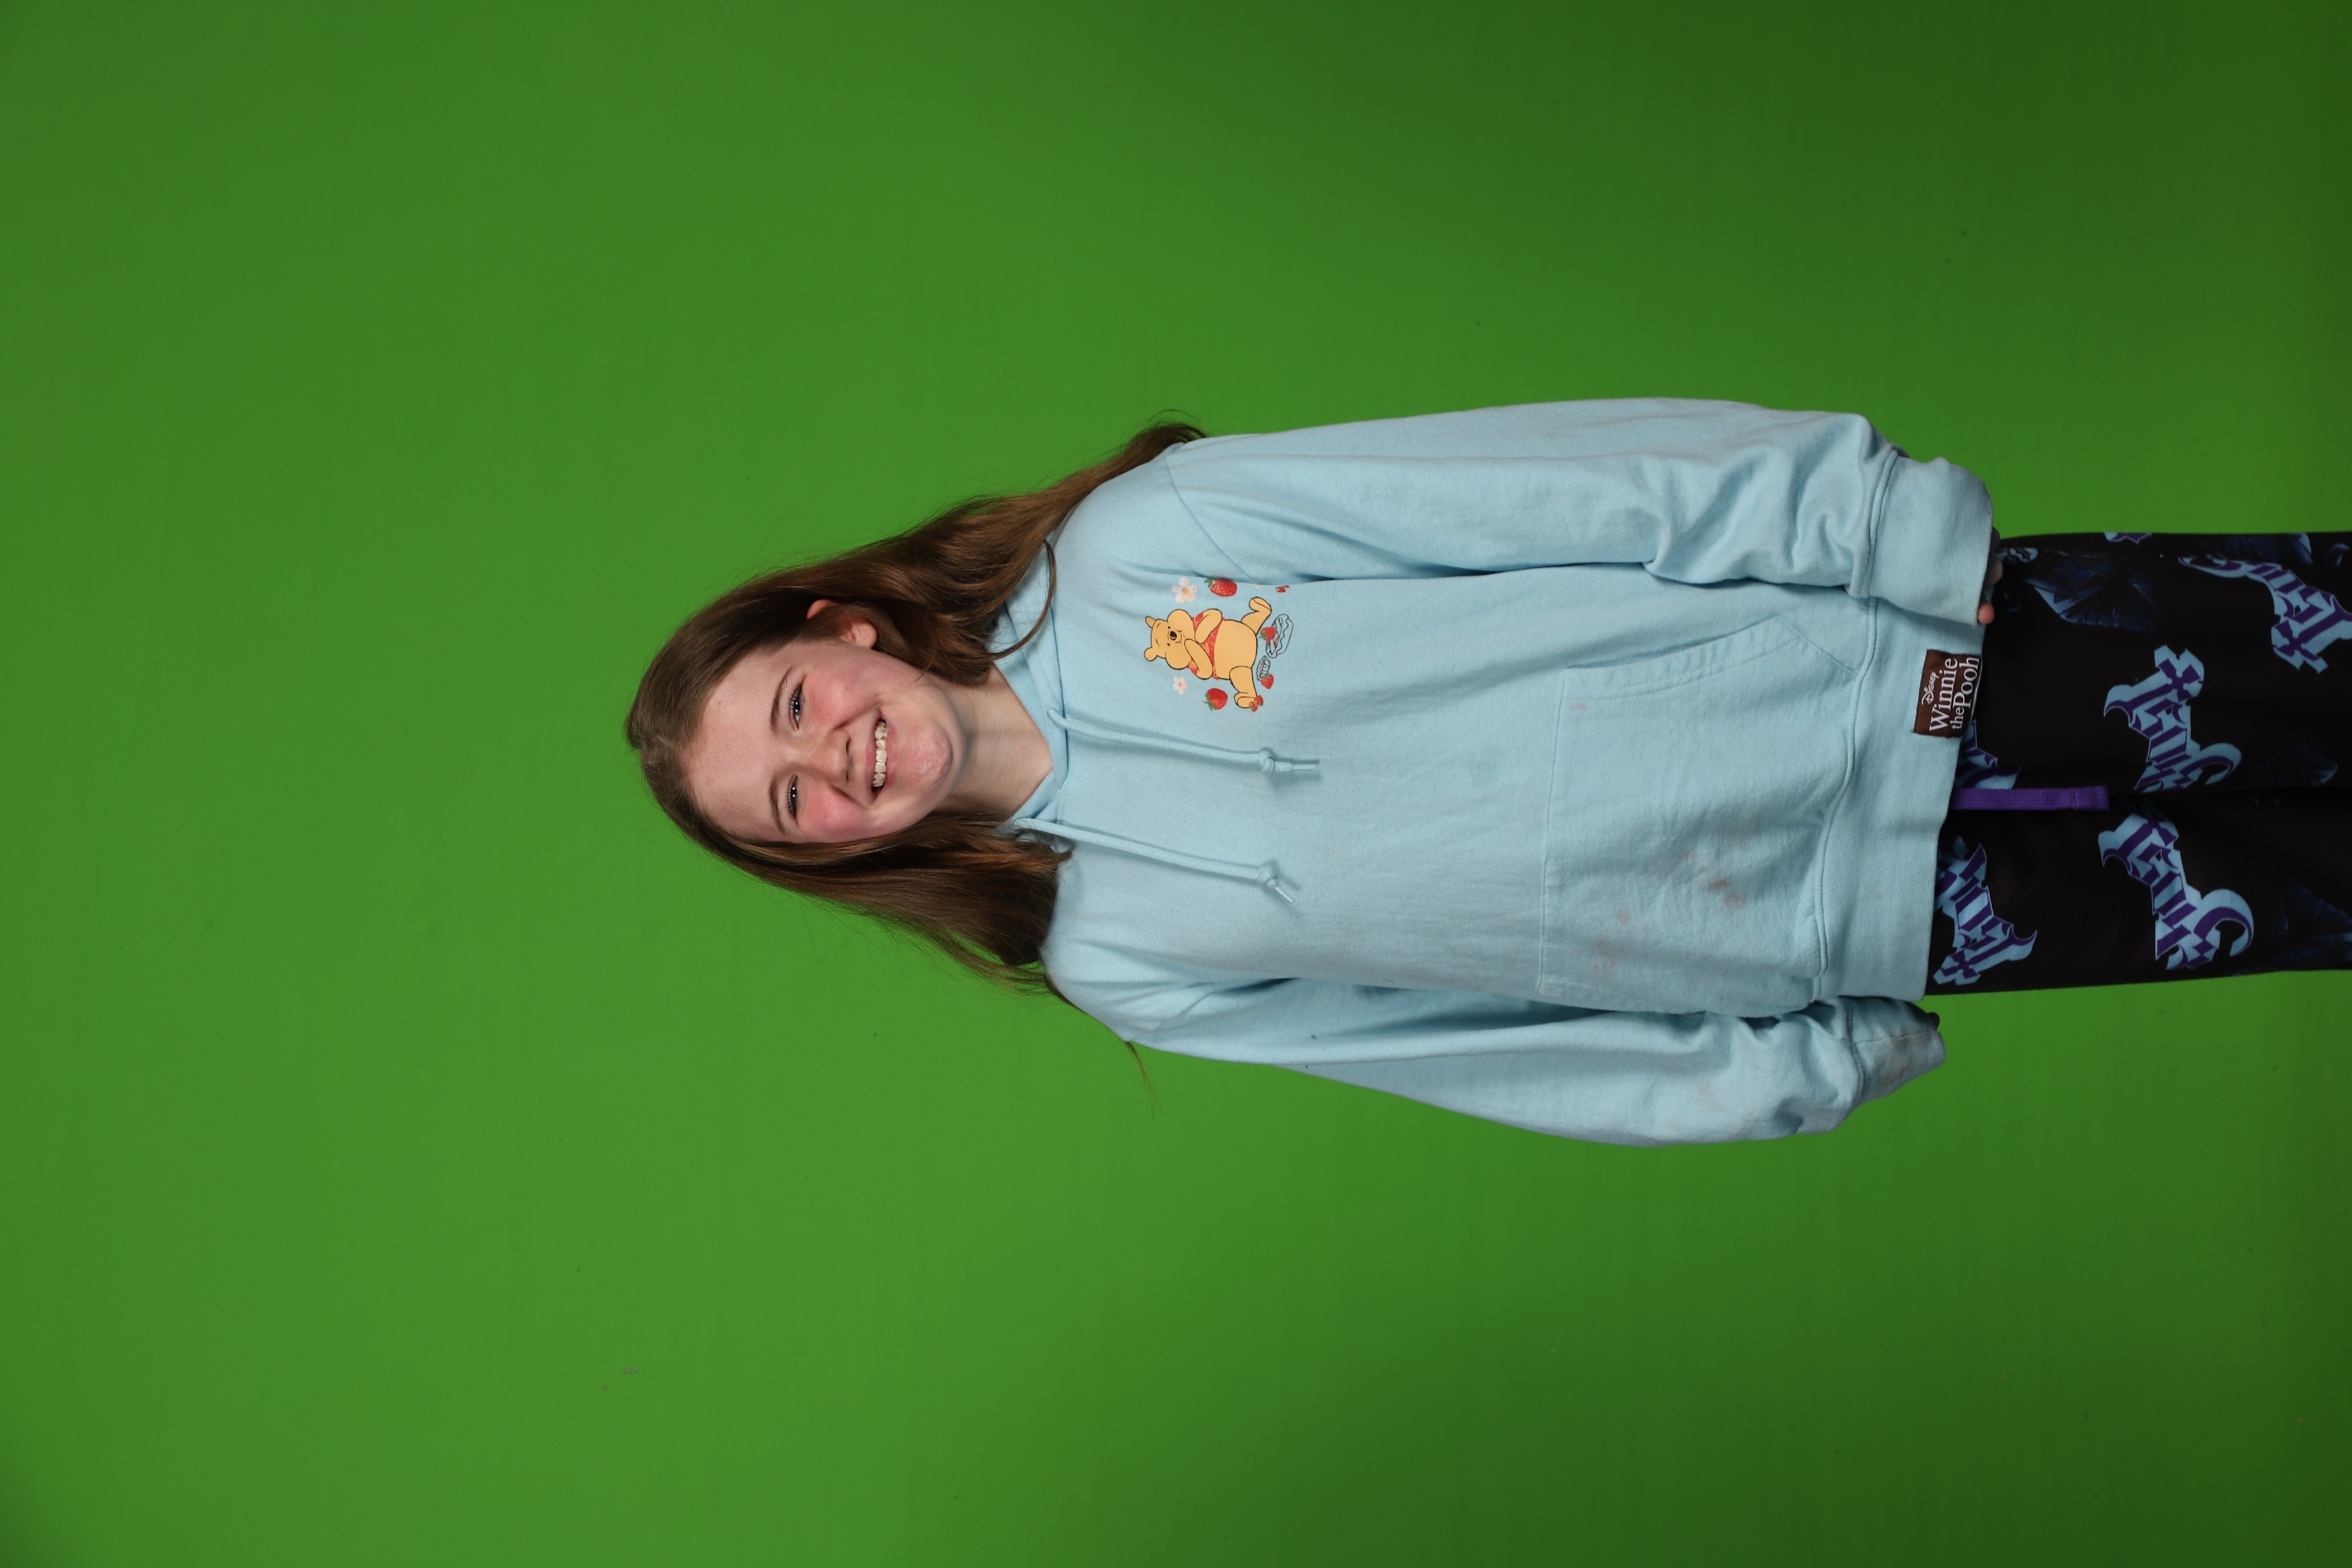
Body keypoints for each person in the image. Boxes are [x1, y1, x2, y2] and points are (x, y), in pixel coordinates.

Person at [627, 401, 2350, 1146]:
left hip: (1904, 657)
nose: (834, 758)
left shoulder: (1149, 543)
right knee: (2319, 895)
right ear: (831, 855)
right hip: (1876, 913)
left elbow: (1547, 485)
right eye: (792, 802)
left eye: (796, 704)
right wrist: (1771, 1076)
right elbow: (1461, 1048)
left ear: (842, 626)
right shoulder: (1122, 958)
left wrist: (1871, 521)